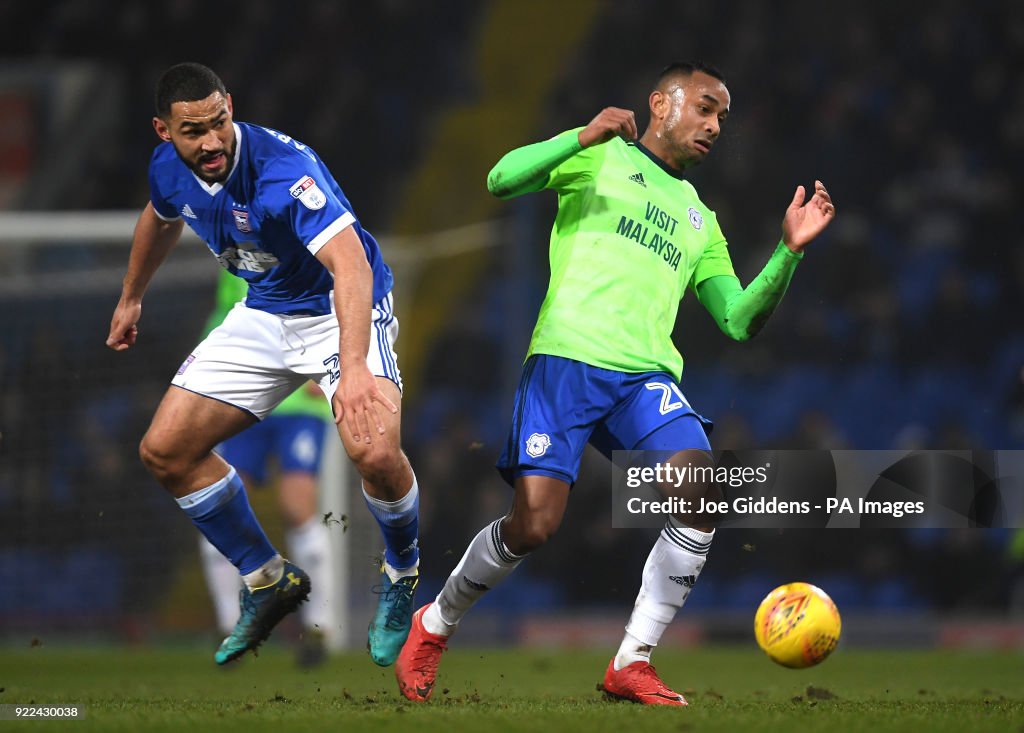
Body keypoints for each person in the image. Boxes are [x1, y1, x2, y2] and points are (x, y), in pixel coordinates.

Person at [395, 61, 835, 705]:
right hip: (567, 362)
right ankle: (435, 623)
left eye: (722, 118)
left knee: (701, 485)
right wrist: (580, 135)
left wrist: (788, 252)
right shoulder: (598, 158)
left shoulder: (699, 219)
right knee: (534, 526)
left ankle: (633, 661)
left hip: (645, 378)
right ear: (662, 103)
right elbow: (499, 180)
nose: (715, 125)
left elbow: (739, 322)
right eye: (705, 108)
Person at [106, 62, 421, 667]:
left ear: (231, 105)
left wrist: (353, 366)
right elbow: (159, 215)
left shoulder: (284, 170)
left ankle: (402, 572)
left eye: (219, 122)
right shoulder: (169, 169)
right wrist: (131, 295)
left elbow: (350, 265)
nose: (212, 141)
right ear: (163, 132)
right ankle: (267, 578)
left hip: (338, 308)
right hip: (265, 313)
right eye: (193, 131)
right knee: (165, 452)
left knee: (376, 449)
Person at [196, 271, 337, 668]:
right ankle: (231, 627)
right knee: (219, 504)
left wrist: (331, 359)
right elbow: (225, 312)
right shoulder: (234, 249)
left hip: (299, 402)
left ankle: (318, 628)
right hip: (243, 395)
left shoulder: (312, 233)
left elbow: (342, 300)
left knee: (297, 506)